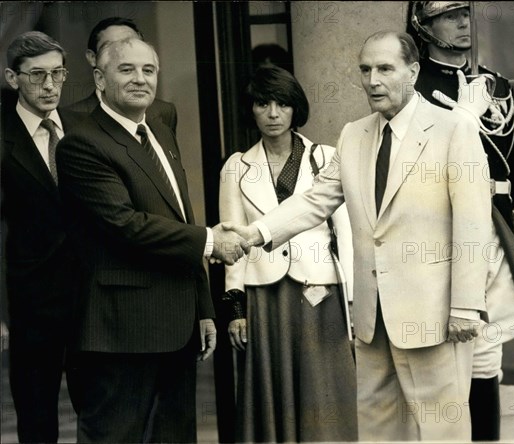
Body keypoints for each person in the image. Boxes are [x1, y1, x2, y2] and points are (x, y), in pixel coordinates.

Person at [225, 31, 492, 442]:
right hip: (371, 317)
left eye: (385, 68)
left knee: (442, 429)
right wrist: (256, 232)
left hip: (435, 314)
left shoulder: (452, 130)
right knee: (379, 428)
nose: (372, 80)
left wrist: (467, 307)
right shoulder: (354, 134)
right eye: (365, 69)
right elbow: (315, 201)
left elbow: (473, 224)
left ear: (413, 71)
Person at [55, 38, 248, 443]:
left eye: (149, 70)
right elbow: (126, 224)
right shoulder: (82, 143)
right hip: (120, 331)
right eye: (126, 69)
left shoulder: (160, 130)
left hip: (176, 325)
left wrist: (203, 307)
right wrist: (211, 241)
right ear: (99, 78)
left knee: (174, 437)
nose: (140, 79)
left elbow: (179, 214)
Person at [410, 2, 514, 440]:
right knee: (447, 361)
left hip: (499, 231)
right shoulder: (414, 87)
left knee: (488, 357)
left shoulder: (496, 84)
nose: (464, 22)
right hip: (443, 234)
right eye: (449, 15)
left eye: (465, 12)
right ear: (422, 25)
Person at [219, 65, 357, 442]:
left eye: (282, 104)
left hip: (321, 291)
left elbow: (345, 234)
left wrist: (354, 303)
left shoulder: (325, 156)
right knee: (270, 391)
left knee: (324, 385)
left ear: (296, 108)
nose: (273, 113)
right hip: (264, 294)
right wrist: (235, 308)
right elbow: (232, 240)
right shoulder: (236, 166)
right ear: (251, 110)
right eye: (263, 104)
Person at [1, 31, 81, 443]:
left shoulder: (83, 128)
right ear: (12, 78)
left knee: (103, 408)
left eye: (57, 74)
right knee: (36, 418)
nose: (49, 86)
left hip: (91, 297)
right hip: (31, 303)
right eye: (36, 76)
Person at [66, 16, 178, 134]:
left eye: (132, 44)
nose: (125, 52)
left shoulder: (164, 111)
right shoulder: (71, 117)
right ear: (92, 57)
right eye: (111, 47)